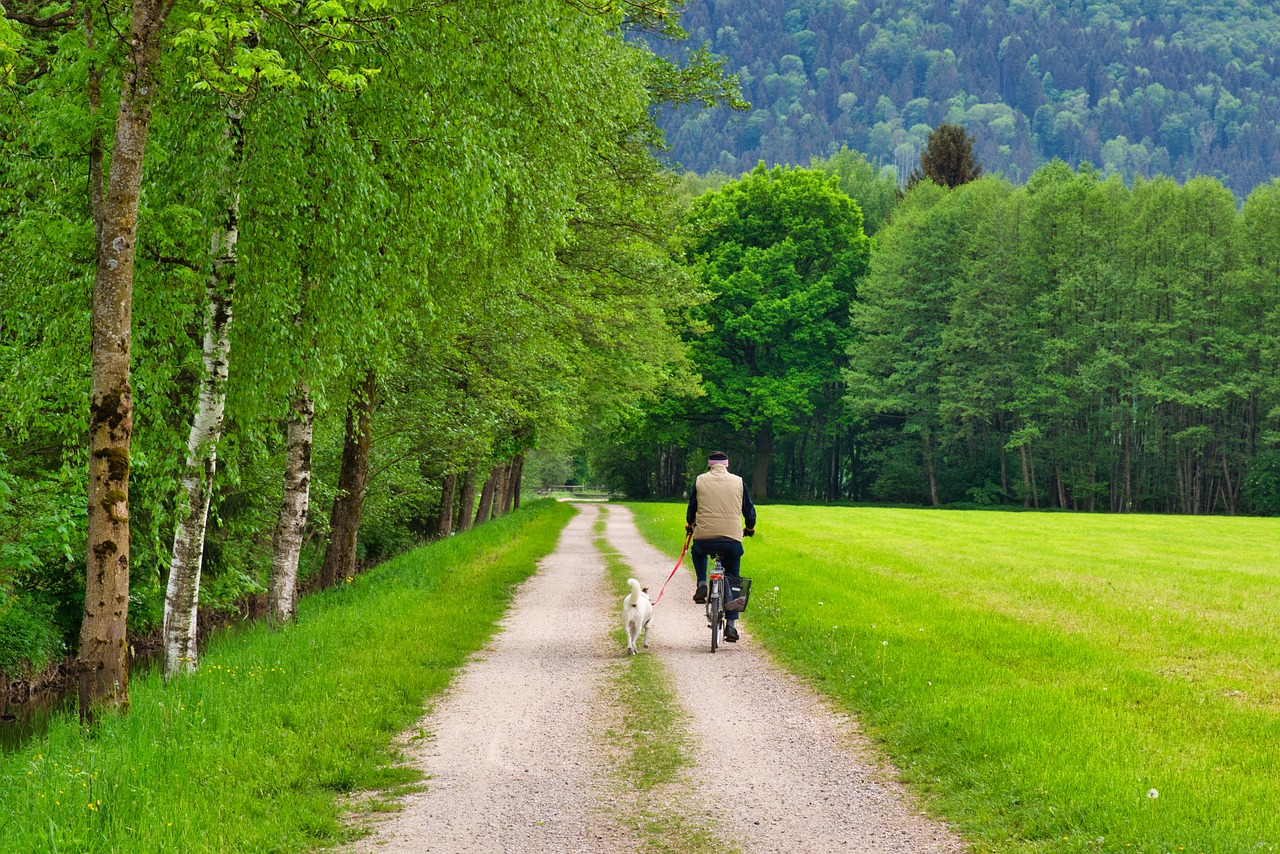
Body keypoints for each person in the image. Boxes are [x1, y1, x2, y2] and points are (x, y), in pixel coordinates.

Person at [685, 451, 756, 642]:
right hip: (732, 539)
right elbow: (749, 511)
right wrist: (749, 528)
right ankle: (731, 626)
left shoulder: (700, 481)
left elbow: (691, 510)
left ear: (710, 465)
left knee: (697, 551)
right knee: (733, 577)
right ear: (726, 465)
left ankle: (701, 584)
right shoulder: (739, 482)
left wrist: (690, 524)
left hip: (704, 537)